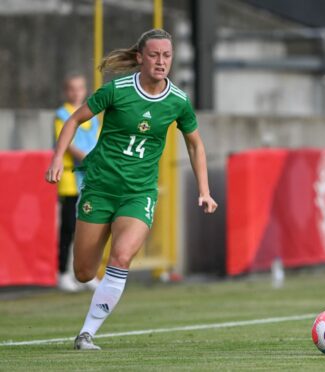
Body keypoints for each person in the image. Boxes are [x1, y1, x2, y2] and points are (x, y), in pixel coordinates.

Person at [45, 29, 218, 350]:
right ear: (140, 57)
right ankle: (84, 301)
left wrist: (204, 190)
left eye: (166, 56)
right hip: (99, 188)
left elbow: (195, 145)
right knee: (83, 272)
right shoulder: (117, 90)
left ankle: (87, 334)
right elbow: (72, 121)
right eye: (154, 55)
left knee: (122, 258)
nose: (161, 61)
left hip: (139, 194)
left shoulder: (178, 101)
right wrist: (57, 159)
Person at [54, 73, 99, 292]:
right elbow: (67, 142)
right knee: (69, 227)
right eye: (72, 88)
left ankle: (85, 272)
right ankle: (62, 272)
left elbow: (99, 140)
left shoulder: (94, 115)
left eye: (80, 88)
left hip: (91, 180)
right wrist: (89, 158)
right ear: (66, 91)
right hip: (73, 179)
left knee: (89, 227)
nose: (76, 92)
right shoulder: (62, 114)